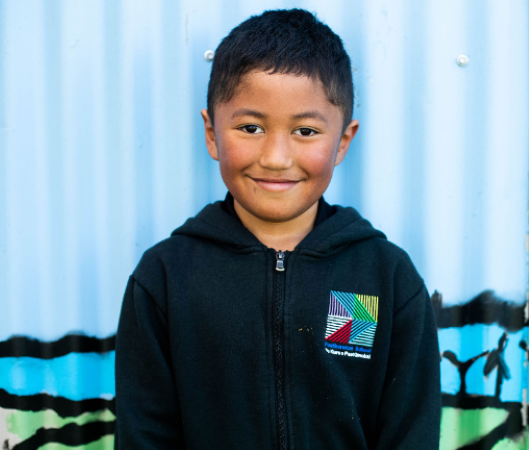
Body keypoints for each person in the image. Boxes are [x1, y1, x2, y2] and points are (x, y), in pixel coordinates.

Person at [114, 9, 440, 449]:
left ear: (343, 141)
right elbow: (145, 436)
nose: (276, 157)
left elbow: (409, 433)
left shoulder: (383, 276)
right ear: (212, 134)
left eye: (305, 131)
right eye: (250, 127)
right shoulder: (166, 278)